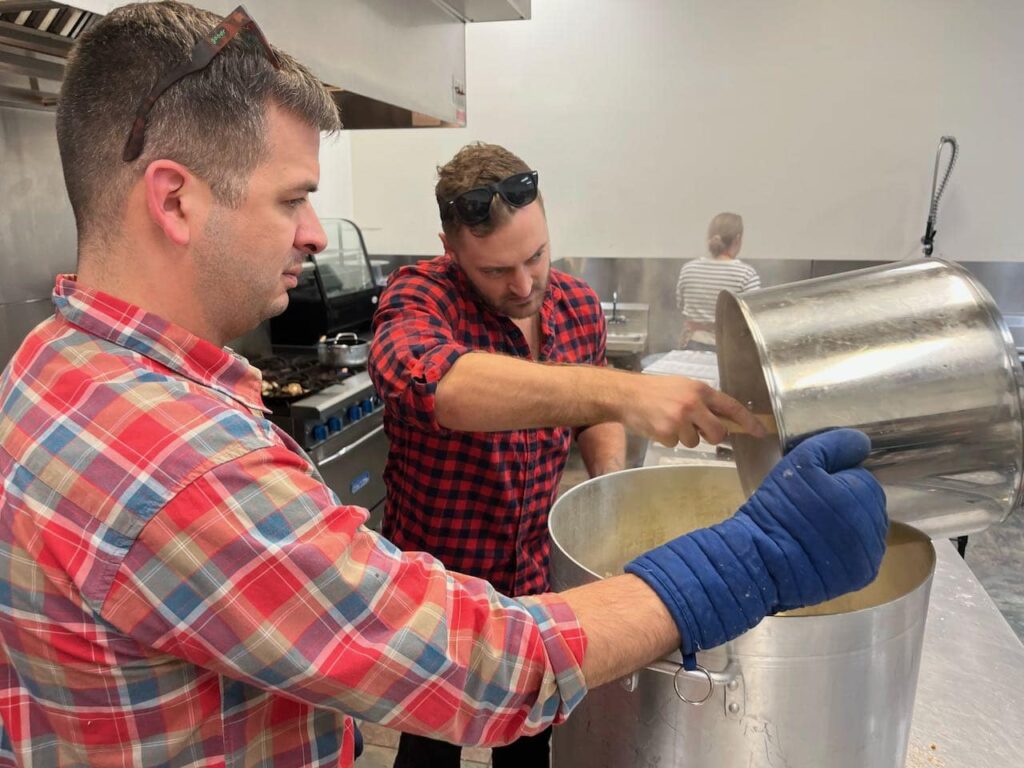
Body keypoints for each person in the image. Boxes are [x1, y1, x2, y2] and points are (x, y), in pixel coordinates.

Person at [0, 3, 887, 767]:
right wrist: (753, 558)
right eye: (291, 198)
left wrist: (610, 486)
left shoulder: (51, 362)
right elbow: (490, 663)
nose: (314, 233)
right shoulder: (183, 463)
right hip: (455, 611)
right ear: (176, 200)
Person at [365, 147, 865, 766]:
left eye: (535, 257)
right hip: (442, 591)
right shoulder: (420, 297)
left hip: (536, 584)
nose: (522, 285)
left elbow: (591, 411)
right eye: (495, 271)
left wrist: (609, 491)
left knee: (529, 744)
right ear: (450, 246)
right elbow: (436, 383)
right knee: (430, 747)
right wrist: (631, 392)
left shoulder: (575, 305)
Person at [675, 212, 761, 349]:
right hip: (729, 348)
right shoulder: (746, 274)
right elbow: (754, 317)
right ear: (738, 239)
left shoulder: (688, 269)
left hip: (693, 343)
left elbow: (681, 305)